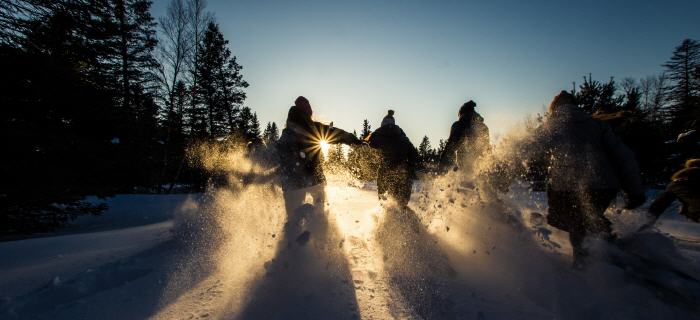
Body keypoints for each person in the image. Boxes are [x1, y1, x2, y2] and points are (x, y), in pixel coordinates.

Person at [525, 90, 645, 268]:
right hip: (605, 186)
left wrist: (498, 169)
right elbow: (624, 157)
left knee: (575, 221)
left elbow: (525, 148)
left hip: (570, 187)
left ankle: (585, 266)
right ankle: (611, 245)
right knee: (584, 218)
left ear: (554, 108)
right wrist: (635, 190)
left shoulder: (553, 126)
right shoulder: (597, 124)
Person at [275, 96, 363, 218]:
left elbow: (275, 157)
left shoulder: (286, 134)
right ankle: (318, 229)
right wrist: (356, 142)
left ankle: (293, 232)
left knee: (292, 218)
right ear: (308, 112)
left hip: (291, 182)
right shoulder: (314, 128)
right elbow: (339, 134)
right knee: (319, 211)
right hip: (314, 178)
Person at [365, 110, 419, 207]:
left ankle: (386, 218)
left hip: (385, 171)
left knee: (385, 203)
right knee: (401, 205)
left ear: (382, 124)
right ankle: (404, 218)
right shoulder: (402, 137)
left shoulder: (376, 135)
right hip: (402, 172)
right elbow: (414, 155)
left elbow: (367, 148)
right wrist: (410, 168)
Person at [439, 100, 490, 175]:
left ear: (461, 113)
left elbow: (451, 147)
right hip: (482, 167)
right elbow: (486, 147)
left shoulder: (460, 124)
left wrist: (441, 167)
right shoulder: (483, 126)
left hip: (466, 169)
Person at [648, 159, 700, 223]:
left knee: (657, 207)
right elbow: (690, 194)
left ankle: (644, 223)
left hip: (673, 185)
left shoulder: (685, 172)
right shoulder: (695, 171)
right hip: (685, 185)